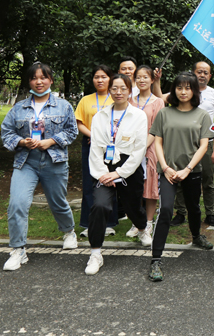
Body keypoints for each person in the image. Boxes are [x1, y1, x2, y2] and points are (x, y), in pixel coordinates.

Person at [1, 62, 79, 271]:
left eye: (43, 77)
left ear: (51, 80)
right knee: (17, 203)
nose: (39, 81)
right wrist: (22, 142)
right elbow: (6, 133)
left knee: (58, 202)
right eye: (34, 78)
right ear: (29, 82)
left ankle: (68, 231)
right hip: (26, 162)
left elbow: (72, 131)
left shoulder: (64, 106)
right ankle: (18, 250)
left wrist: (50, 141)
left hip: (54, 161)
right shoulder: (18, 108)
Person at [148, 72, 214, 281]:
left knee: (194, 207)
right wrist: (165, 167)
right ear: (174, 90)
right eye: (179, 87)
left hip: (191, 170)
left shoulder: (202, 115)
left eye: (188, 88)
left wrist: (187, 168)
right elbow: (157, 141)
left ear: (194, 91)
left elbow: (203, 145)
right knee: (166, 209)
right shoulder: (164, 113)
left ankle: (196, 236)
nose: (183, 92)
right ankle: (156, 259)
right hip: (167, 171)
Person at [85, 75, 152, 275]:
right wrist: (103, 174)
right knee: (100, 206)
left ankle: (142, 229)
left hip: (128, 166)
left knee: (133, 207)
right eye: (114, 88)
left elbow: (139, 150)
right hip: (104, 168)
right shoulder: (100, 116)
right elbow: (95, 149)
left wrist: (119, 173)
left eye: (123, 88)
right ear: (110, 91)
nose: (118, 92)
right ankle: (95, 253)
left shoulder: (138, 116)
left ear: (130, 91)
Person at [171, 61, 214, 227]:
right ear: (193, 73)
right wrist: (156, 82)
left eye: (206, 73)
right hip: (184, 143)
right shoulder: (183, 92)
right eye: (199, 71)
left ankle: (210, 213)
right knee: (180, 178)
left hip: (206, 143)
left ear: (210, 76)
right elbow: (160, 98)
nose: (202, 75)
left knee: (207, 179)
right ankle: (181, 212)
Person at [74, 65, 118, 236]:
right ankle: (88, 223)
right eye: (96, 77)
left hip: (112, 146)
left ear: (110, 79)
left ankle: (109, 223)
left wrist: (106, 138)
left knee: (110, 181)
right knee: (89, 183)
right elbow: (79, 123)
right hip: (90, 144)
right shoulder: (85, 100)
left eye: (104, 77)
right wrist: (94, 135)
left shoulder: (116, 98)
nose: (100, 80)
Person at [125, 65, 165, 239]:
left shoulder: (158, 102)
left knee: (150, 187)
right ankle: (137, 222)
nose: (142, 80)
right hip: (130, 147)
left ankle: (148, 222)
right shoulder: (129, 101)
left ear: (152, 79)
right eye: (139, 77)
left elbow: (157, 129)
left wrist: (142, 148)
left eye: (145, 77)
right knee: (134, 186)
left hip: (151, 148)